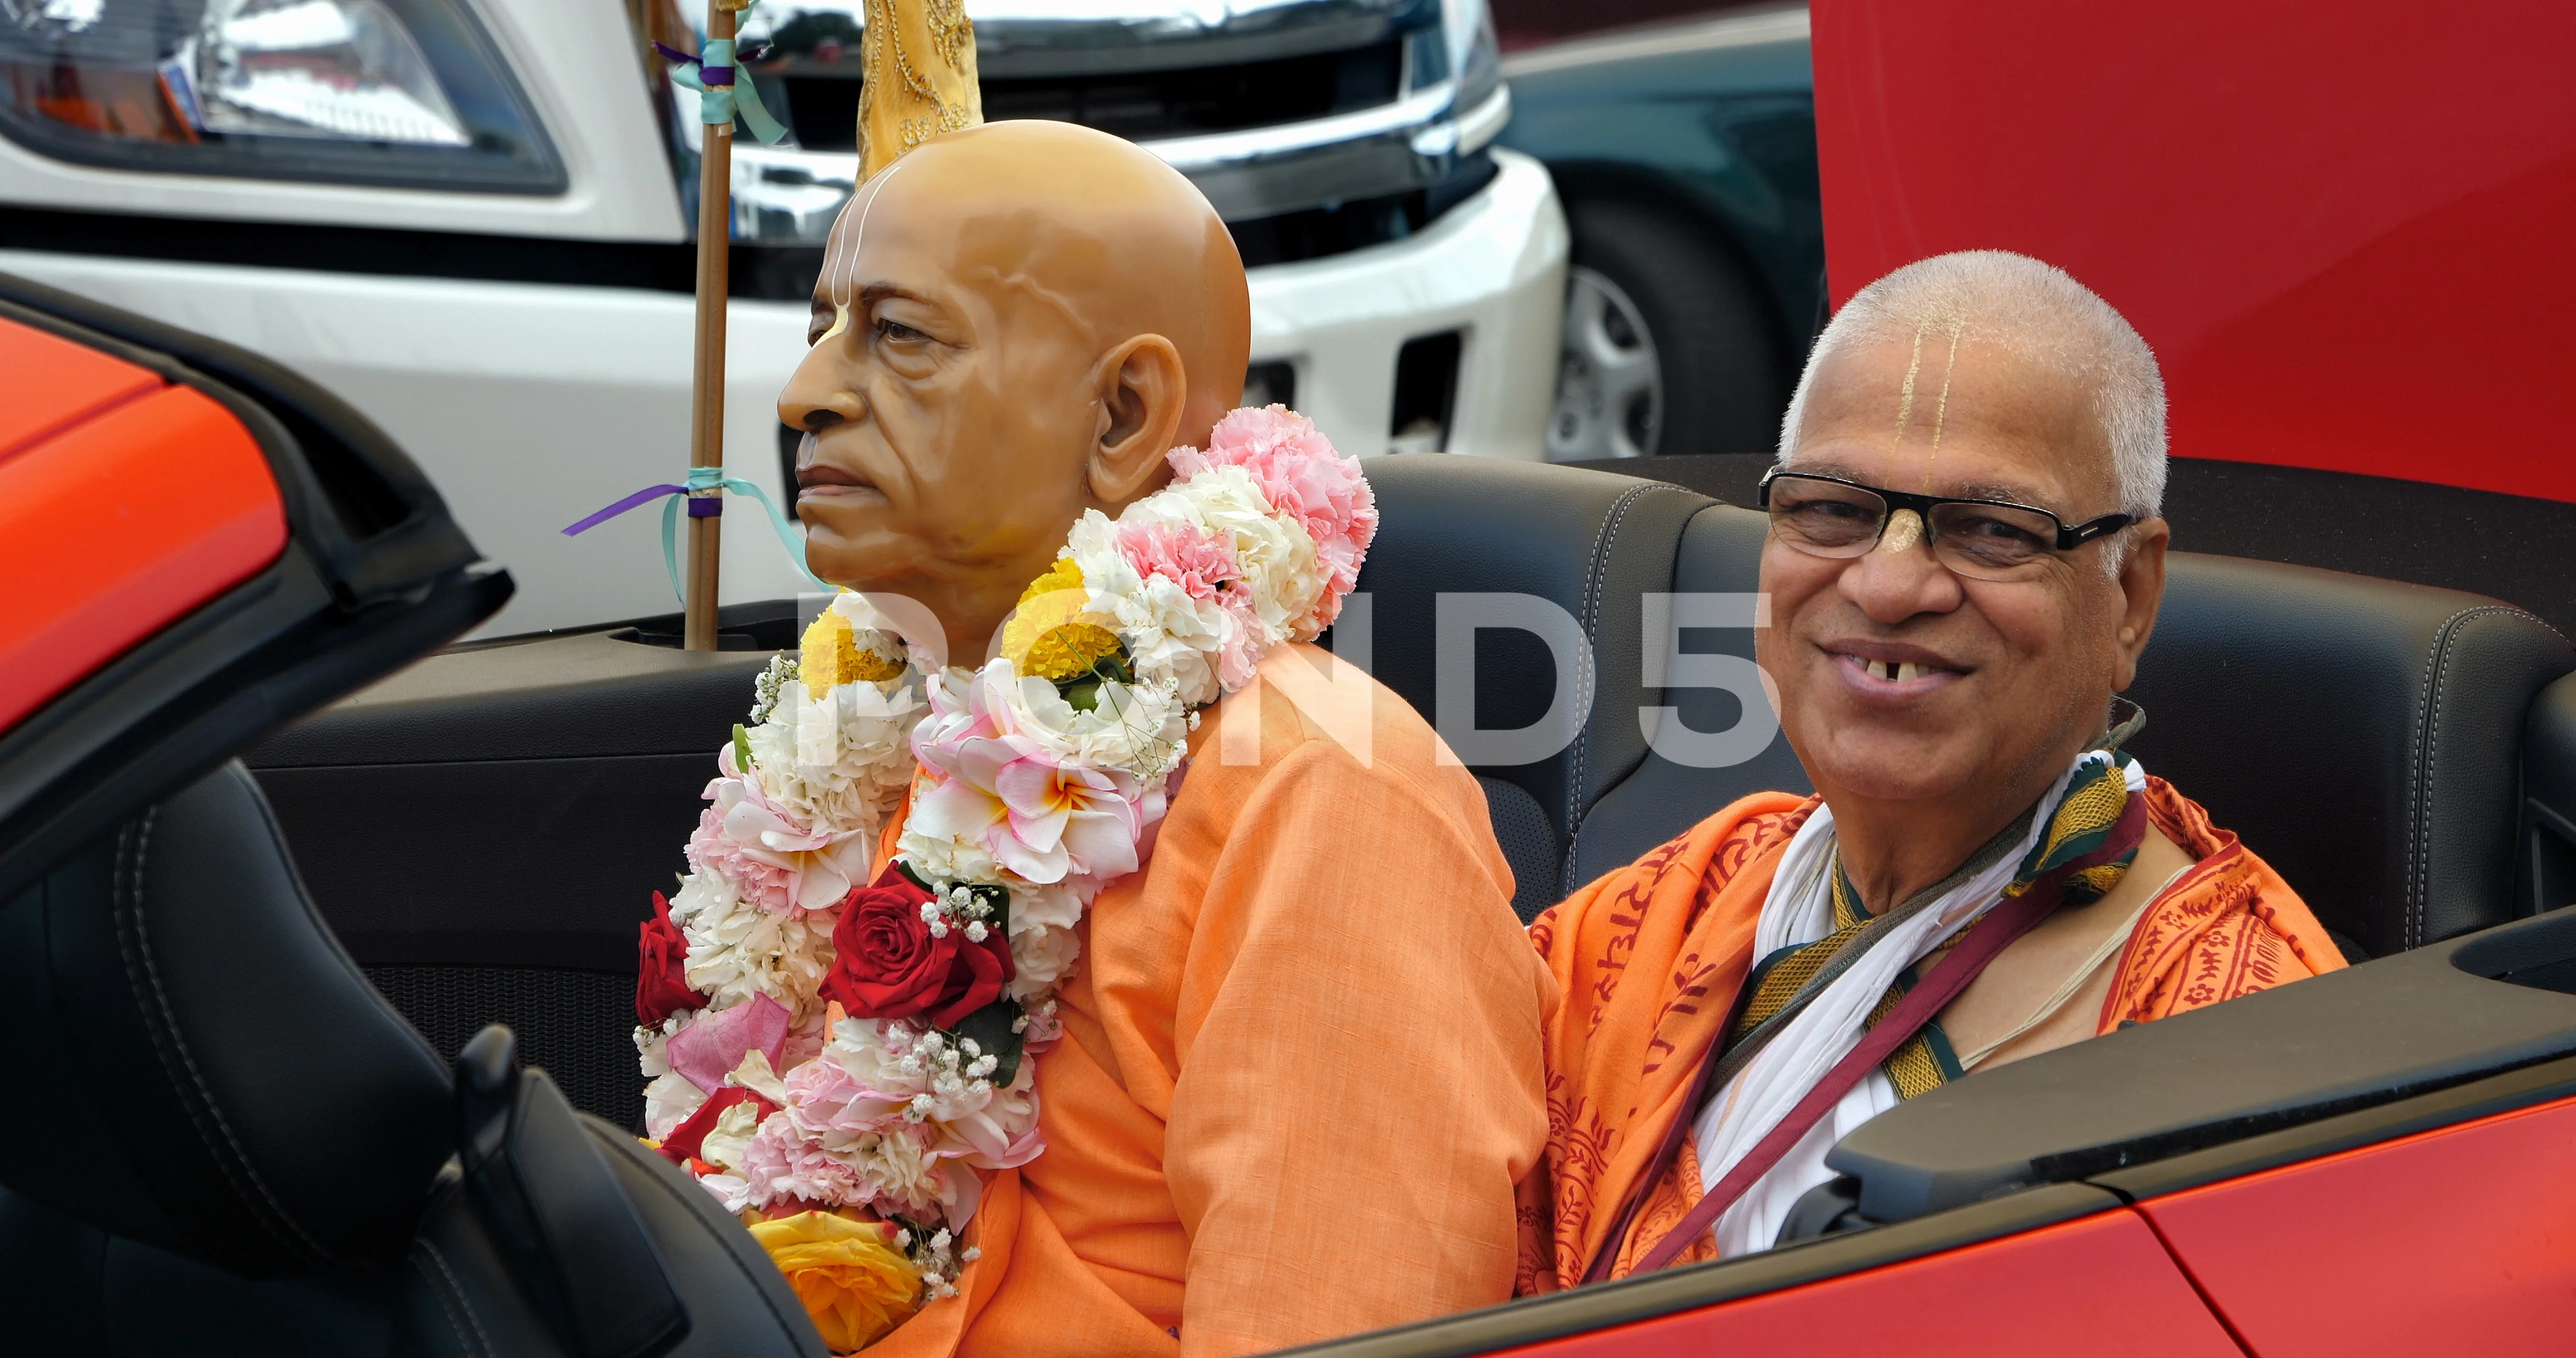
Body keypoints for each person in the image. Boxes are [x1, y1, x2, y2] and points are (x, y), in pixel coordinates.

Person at [768, 120, 1552, 1355]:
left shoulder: (1315, 795)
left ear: (1123, 413)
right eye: (819, 328)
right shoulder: (881, 730)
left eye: (898, 335)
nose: (802, 392)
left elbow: (1333, 1323)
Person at [1514, 250, 2346, 1291]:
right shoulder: (1666, 909)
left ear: (2130, 594)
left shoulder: (2237, 1019)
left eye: (1994, 530)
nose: (1891, 582)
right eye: (1832, 510)